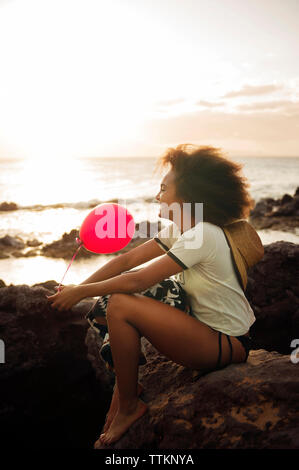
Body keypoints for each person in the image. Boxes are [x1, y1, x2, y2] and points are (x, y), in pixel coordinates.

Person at [47, 144, 257, 446]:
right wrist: (75, 290)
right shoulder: (183, 230)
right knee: (119, 298)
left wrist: (82, 293)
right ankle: (124, 390)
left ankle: (129, 406)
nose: (157, 196)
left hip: (226, 344)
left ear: (187, 196)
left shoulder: (204, 235)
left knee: (120, 303)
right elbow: (126, 261)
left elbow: (137, 279)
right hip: (203, 331)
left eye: (163, 188)